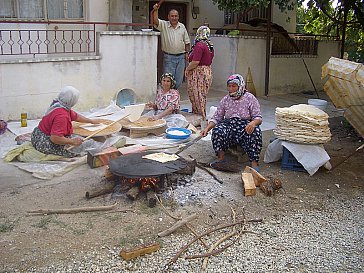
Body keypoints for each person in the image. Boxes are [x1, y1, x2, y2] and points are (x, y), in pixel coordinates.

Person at [200, 74, 263, 171]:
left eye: (234, 86)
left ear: (240, 86)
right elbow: (217, 117)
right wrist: (207, 129)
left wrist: (253, 123)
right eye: (229, 86)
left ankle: (254, 162)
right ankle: (221, 158)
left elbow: (258, 117)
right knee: (217, 130)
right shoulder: (226, 99)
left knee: (256, 132)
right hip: (229, 125)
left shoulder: (250, 98)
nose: (231, 88)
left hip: (244, 126)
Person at [31, 86, 100, 157]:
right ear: (72, 100)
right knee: (87, 145)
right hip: (44, 142)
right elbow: (54, 138)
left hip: (37, 134)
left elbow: (76, 116)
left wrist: (91, 121)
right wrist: (72, 141)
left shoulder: (59, 104)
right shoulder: (62, 116)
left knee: (79, 139)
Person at [152, 3, 190, 90]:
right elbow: (155, 21)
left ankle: (173, 95)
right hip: (169, 57)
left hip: (181, 57)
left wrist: (187, 53)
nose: (174, 18)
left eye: (176, 16)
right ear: (168, 17)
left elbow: (187, 42)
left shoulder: (182, 26)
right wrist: (156, 10)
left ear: (178, 17)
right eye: (172, 16)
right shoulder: (164, 25)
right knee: (168, 79)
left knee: (179, 79)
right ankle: (168, 96)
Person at [185, 25, 214, 119]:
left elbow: (195, 62)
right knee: (201, 95)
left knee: (197, 96)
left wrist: (187, 69)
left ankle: (200, 117)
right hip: (207, 71)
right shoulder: (209, 44)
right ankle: (199, 115)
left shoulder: (200, 45)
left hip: (199, 73)